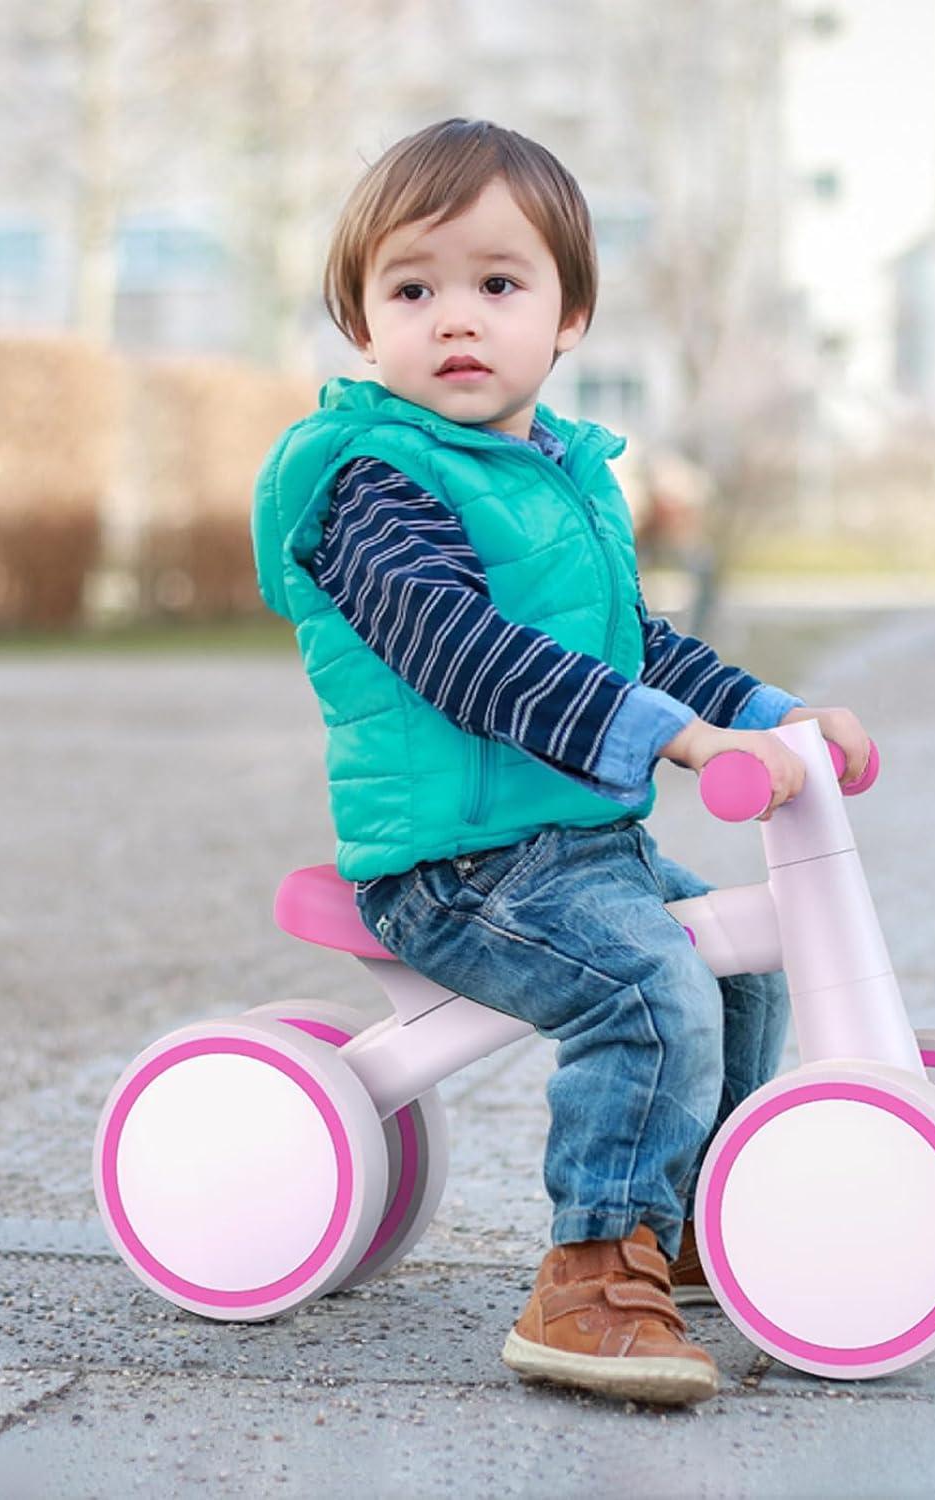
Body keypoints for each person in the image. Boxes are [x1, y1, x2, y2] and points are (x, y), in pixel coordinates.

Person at [251, 118, 869, 1406]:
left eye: (498, 283)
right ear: (364, 329)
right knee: (651, 988)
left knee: (743, 970)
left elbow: (629, 645)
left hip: (572, 849)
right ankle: (591, 1275)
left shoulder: (559, 479)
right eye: (411, 290)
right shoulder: (370, 484)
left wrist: (771, 717)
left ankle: (684, 1226)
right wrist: (674, 740)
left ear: (569, 316)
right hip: (458, 864)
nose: (455, 319)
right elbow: (465, 654)